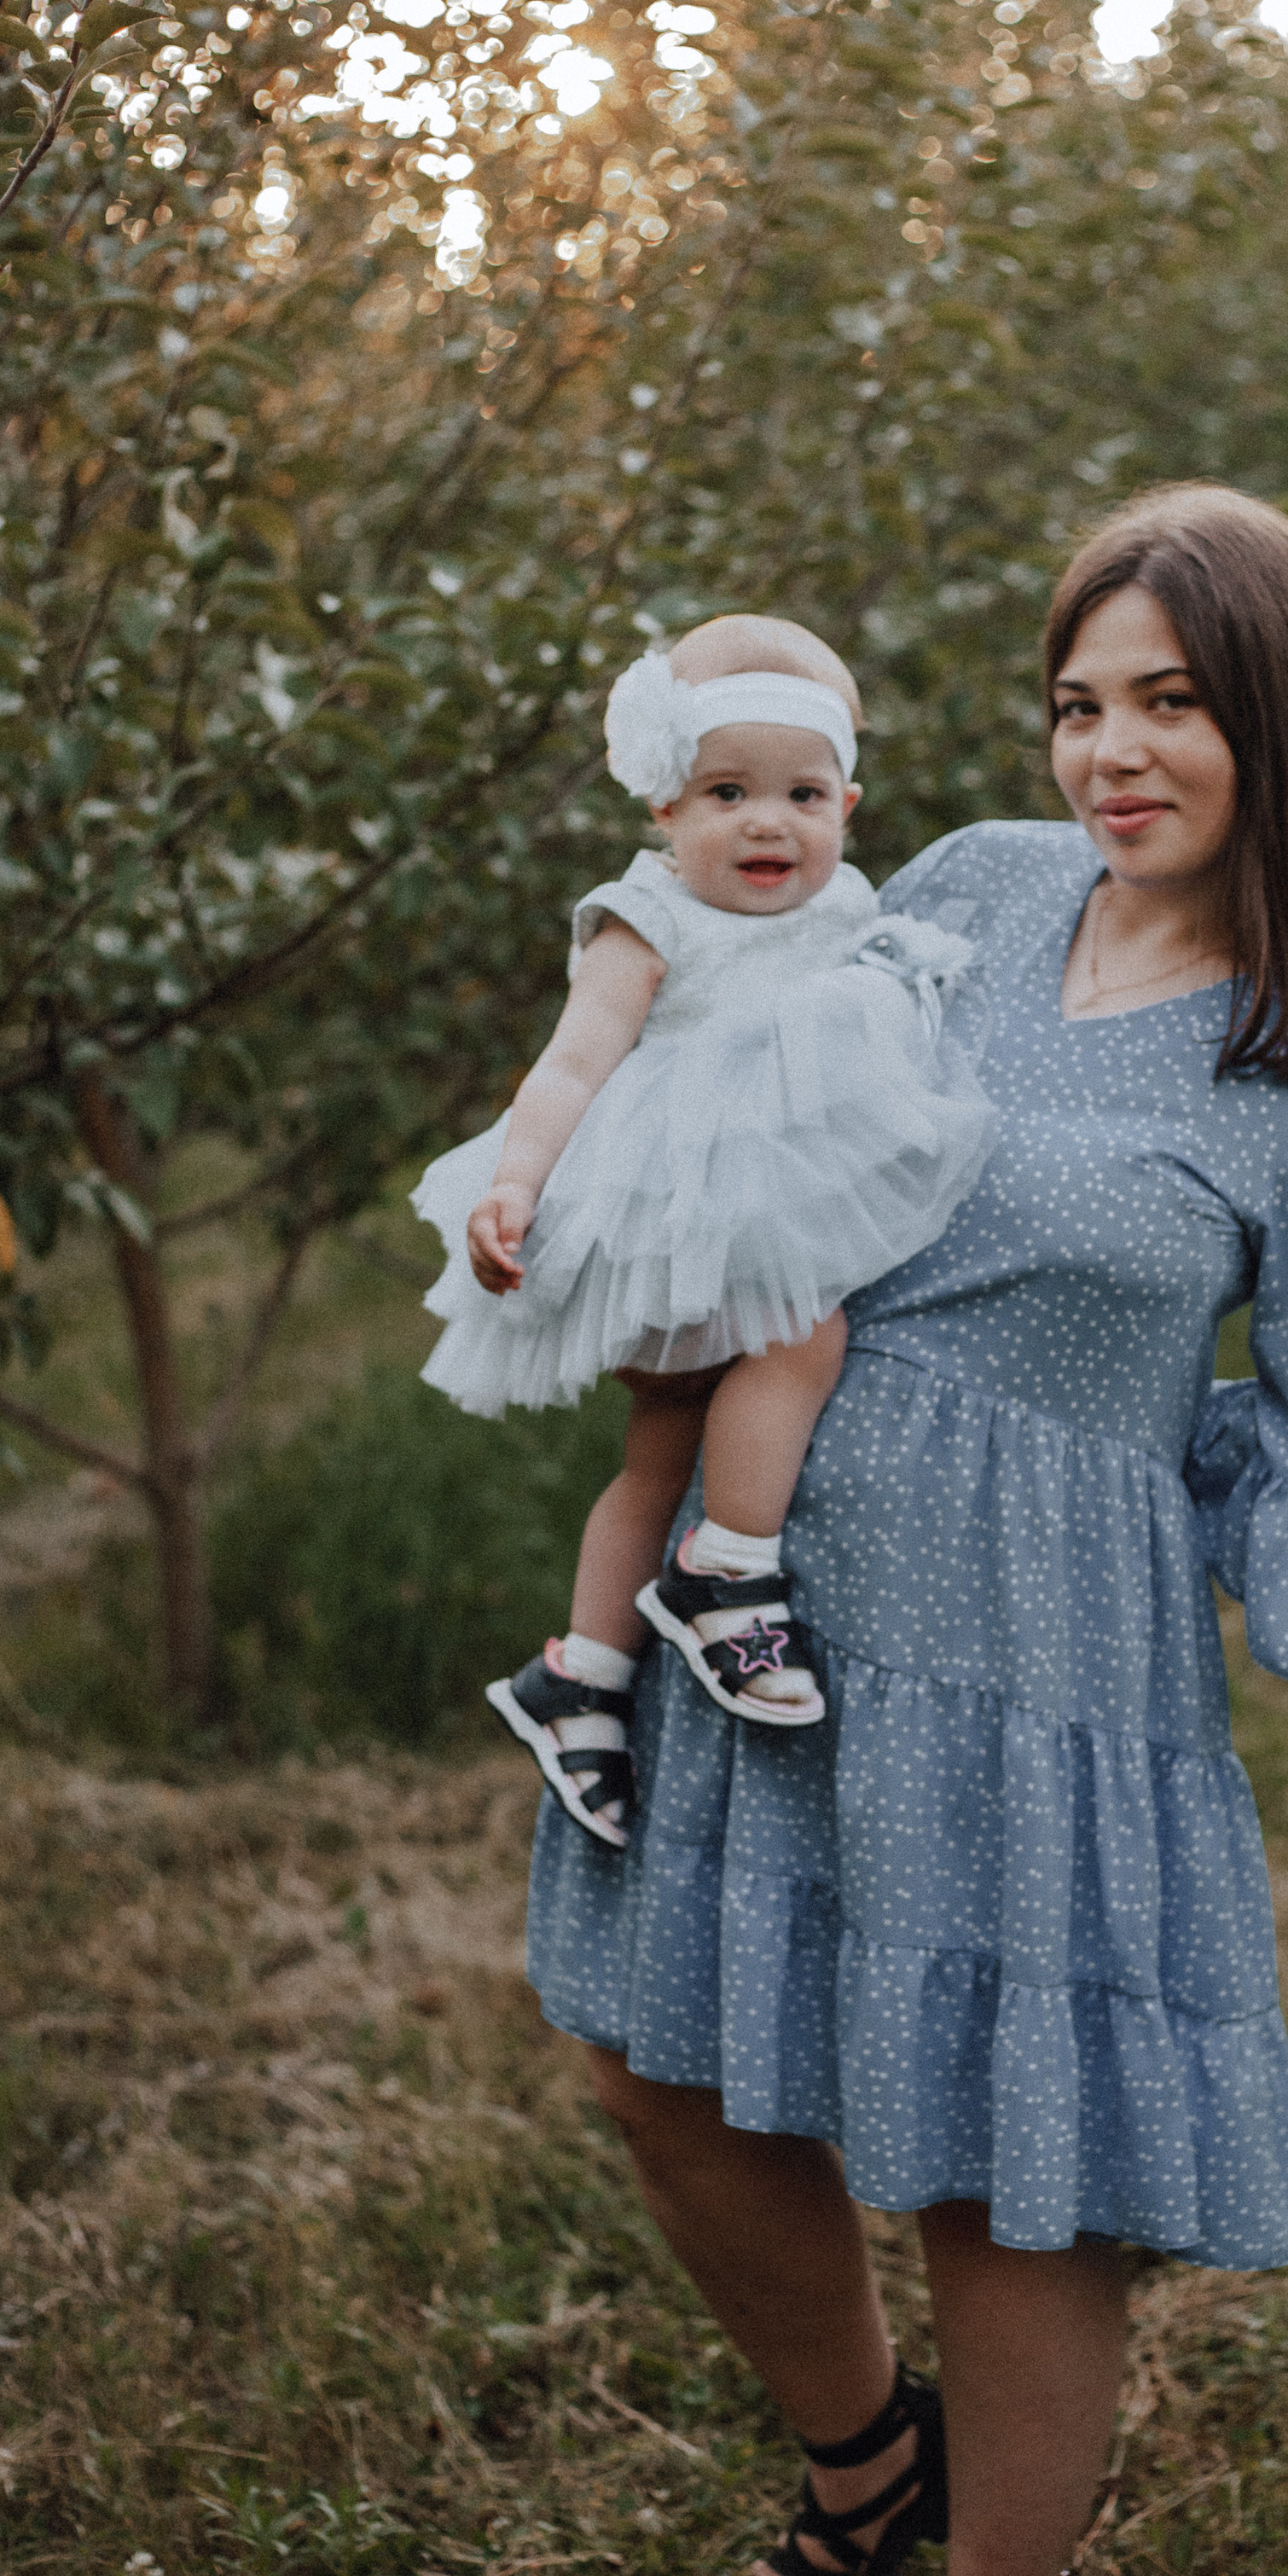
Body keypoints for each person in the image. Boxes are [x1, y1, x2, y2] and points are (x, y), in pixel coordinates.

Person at [524, 484, 1288, 2576]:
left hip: (1045, 1646)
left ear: (1280, 717)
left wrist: (1107, 1482)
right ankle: (866, 2463)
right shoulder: (959, 886)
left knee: (987, 2150)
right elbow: (741, 1087)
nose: (1109, 755)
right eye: (1078, 703)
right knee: (660, 2067)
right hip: (764, 1584)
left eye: (1170, 702)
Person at [411, 614, 995, 1846]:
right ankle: (728, 1569)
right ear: (666, 809)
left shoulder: (847, 909)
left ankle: (580, 1676)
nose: (767, 823)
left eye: (801, 793)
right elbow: (571, 1066)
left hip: (755, 1212)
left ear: (848, 801)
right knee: (806, 1333)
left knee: (658, 1444)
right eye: (727, 793)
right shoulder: (650, 916)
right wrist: (515, 1185)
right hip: (662, 1211)